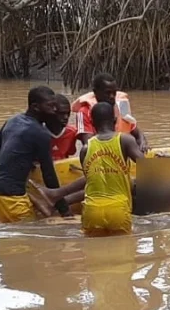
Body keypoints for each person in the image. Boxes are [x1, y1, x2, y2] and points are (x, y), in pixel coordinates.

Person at [38, 102, 144, 236]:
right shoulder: (125, 140)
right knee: (123, 251)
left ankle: (55, 194)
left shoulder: (85, 149)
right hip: (118, 209)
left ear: (92, 123)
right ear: (115, 120)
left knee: (91, 253)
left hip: (91, 210)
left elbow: (92, 179)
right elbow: (146, 166)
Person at [0, 86, 68, 222]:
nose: (55, 111)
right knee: (29, 238)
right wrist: (65, 211)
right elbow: (49, 177)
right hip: (13, 199)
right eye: (50, 106)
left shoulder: (13, 120)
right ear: (35, 106)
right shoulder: (40, 134)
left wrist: (21, 162)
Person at [72, 73, 149, 153]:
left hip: (125, 152)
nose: (112, 96)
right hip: (100, 156)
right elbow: (89, 145)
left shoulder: (122, 105)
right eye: (107, 93)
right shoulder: (84, 112)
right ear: (95, 92)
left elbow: (136, 131)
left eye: (114, 93)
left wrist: (142, 142)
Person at [49, 94, 78, 160]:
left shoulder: (72, 132)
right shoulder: (39, 132)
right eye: (61, 113)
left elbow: (70, 153)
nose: (66, 117)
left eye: (68, 113)